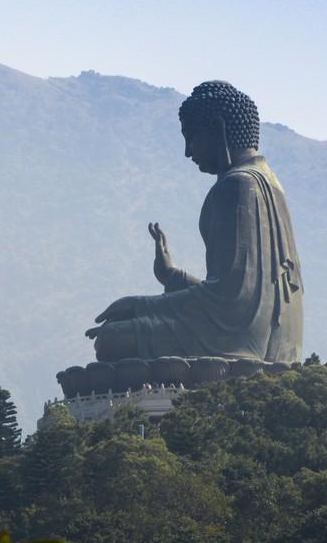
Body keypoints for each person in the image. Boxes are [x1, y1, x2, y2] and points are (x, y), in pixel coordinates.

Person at [85, 81, 303, 363]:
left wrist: (141, 306)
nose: (188, 152)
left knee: (111, 340)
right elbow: (233, 290)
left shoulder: (237, 186)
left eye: (192, 137)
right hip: (270, 344)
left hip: (240, 345)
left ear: (218, 129)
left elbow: (230, 304)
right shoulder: (270, 184)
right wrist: (171, 276)